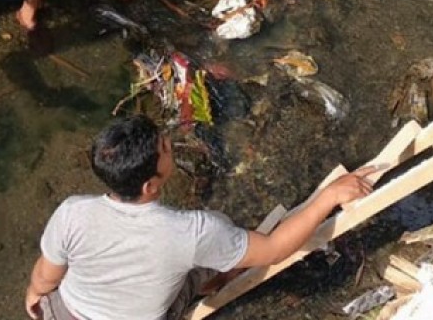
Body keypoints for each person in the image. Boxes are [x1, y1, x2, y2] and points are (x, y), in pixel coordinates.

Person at [24, 116, 374, 320]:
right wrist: (328, 197)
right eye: (164, 149)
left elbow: (44, 277)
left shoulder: (72, 211)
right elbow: (273, 250)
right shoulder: (192, 232)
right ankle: (218, 279)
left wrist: (35, 298)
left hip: (63, 313)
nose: (170, 147)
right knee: (213, 259)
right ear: (150, 184)